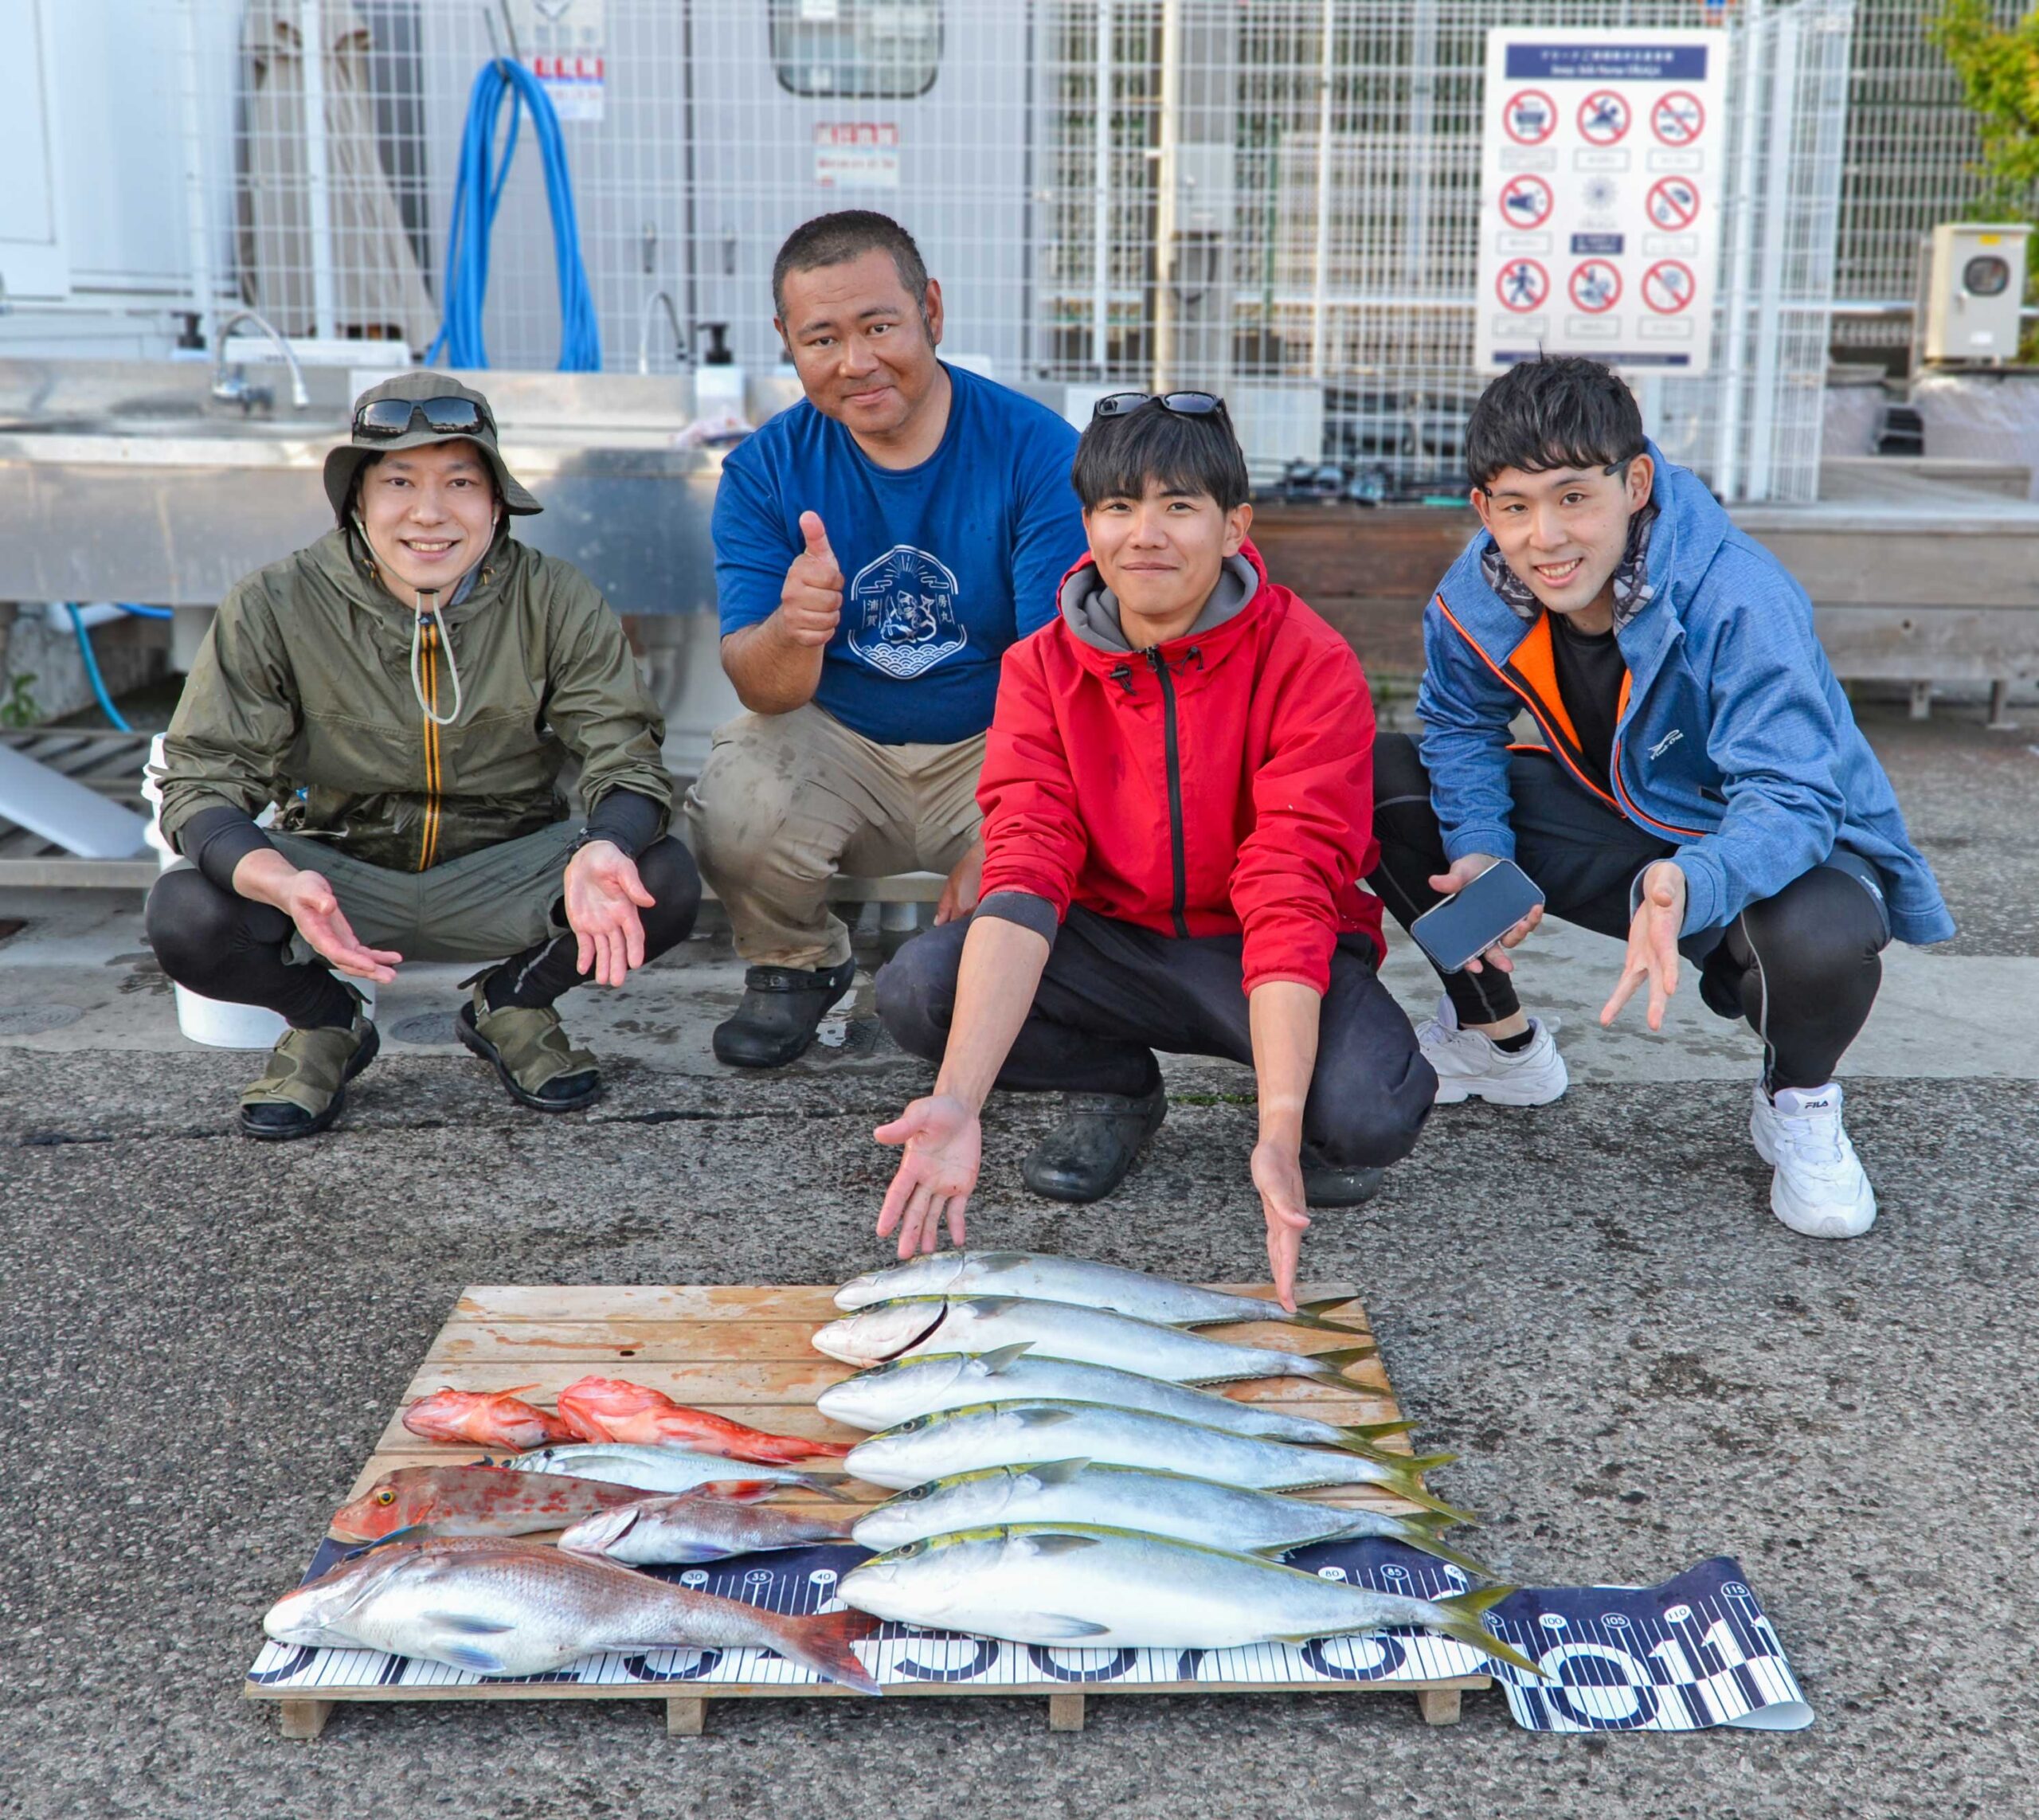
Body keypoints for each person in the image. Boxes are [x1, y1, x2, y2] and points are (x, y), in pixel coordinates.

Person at [1368, 356, 1953, 1239]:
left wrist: (1693, 878)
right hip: (1629, 827)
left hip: (1770, 852)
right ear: (1483, 509)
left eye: (1573, 497)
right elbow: (1457, 726)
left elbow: (1793, 795)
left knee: (1820, 936)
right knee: (1378, 776)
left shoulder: (1736, 594)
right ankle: (1500, 1045)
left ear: (1635, 483)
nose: (1544, 537)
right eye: (1515, 505)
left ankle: (1794, 1097)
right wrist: (1480, 848)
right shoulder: (1474, 594)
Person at [871, 393, 1435, 1309]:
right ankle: (1116, 1089)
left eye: (1178, 506)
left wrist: (1278, 1128)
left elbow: (1291, 889)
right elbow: (1024, 875)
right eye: (1118, 507)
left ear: (1233, 524)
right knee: (919, 985)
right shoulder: (1040, 667)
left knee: (1368, 1112)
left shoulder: (1310, 660)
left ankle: (1292, 1113)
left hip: (1255, 948)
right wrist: (959, 1099)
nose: (1146, 534)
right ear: (1088, 523)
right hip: (1109, 946)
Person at [147, 372, 701, 1140]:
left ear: (496, 500)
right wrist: (276, 875)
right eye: (399, 481)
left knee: (661, 875)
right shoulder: (275, 603)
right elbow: (202, 774)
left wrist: (602, 845)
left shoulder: (556, 597)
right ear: (359, 503)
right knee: (185, 910)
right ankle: (325, 1020)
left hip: (506, 870)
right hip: (342, 870)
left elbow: (627, 754)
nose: (429, 512)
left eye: (460, 481)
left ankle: (511, 1002)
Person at [687, 210, 1088, 1067]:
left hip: (994, 742)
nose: (856, 362)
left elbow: (1060, 672)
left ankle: (1013, 980)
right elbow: (762, 690)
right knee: (733, 801)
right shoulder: (763, 469)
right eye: (822, 337)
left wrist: (1012, 832)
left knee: (1082, 836)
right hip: (838, 740)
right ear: (786, 343)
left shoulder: (1036, 452)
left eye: (879, 326)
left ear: (931, 312)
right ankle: (793, 964)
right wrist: (794, 630)